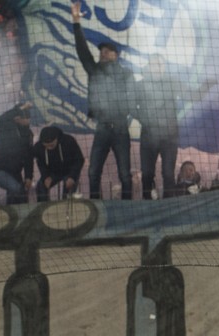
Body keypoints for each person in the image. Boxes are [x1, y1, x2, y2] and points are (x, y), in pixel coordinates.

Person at [71, 1, 134, 200]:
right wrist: (76, 22)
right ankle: (96, 209)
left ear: (116, 56)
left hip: (121, 129)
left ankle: (128, 208)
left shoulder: (125, 74)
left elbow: (132, 97)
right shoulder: (94, 70)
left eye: (107, 51)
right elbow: (82, 50)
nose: (102, 53)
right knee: (92, 172)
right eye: (101, 51)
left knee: (125, 174)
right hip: (102, 129)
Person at [135, 55, 182, 200]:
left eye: (160, 64)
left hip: (169, 137)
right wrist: (144, 119)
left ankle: (169, 207)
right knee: (147, 174)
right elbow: (131, 105)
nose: (157, 67)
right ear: (149, 67)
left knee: (168, 174)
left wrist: (205, 87)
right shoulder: (141, 85)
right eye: (154, 64)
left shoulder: (172, 83)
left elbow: (190, 94)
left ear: (164, 67)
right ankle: (147, 205)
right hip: (149, 136)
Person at [0, 102, 34, 205]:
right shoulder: (6, 128)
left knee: (22, 194)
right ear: (17, 119)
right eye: (26, 118)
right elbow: (2, 118)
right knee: (17, 189)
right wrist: (21, 108)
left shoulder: (28, 134)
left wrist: (28, 177)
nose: (28, 120)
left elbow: (29, 157)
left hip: (14, 172)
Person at [32, 126, 85, 201]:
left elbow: (79, 160)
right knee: (41, 186)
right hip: (52, 172)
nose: (49, 148)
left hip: (69, 170)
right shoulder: (38, 147)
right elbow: (41, 164)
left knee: (69, 189)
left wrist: (72, 176)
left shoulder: (69, 141)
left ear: (57, 139)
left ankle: (66, 207)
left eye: (51, 145)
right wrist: (45, 176)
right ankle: (43, 207)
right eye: (46, 146)